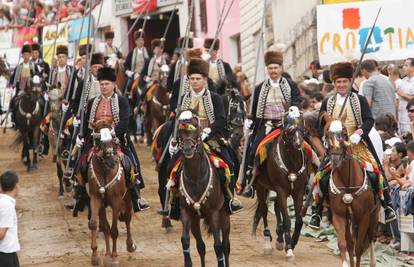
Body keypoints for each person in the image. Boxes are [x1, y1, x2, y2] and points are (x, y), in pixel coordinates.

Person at [309, 62, 397, 229]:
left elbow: (369, 120)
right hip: (336, 146)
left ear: (350, 82)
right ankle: (317, 211)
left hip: (357, 144)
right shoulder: (328, 101)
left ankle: (388, 206)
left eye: (344, 82)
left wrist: (358, 134)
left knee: (376, 170)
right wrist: (327, 139)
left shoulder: (359, 100)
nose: (341, 85)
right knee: (320, 176)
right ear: (333, 84)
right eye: (338, 82)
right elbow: (321, 126)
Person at [167, 58, 243, 215]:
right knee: (169, 167)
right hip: (188, 139)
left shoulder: (214, 97)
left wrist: (209, 130)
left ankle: (229, 200)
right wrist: (175, 141)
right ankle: (173, 204)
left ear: (205, 80)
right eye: (192, 79)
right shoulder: (184, 98)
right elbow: (177, 121)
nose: (195, 82)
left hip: (211, 137)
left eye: (198, 79)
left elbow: (221, 119)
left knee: (229, 162)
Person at [72, 67, 149, 215]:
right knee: (80, 163)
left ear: (114, 85)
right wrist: (79, 136)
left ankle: (136, 197)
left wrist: (114, 132)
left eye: (107, 84)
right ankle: (79, 196)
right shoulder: (92, 102)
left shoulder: (122, 101)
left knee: (131, 163)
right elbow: (86, 123)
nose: (104, 87)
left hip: (117, 139)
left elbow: (125, 121)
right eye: (101, 84)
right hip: (95, 139)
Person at [238, 50, 301, 197]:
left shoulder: (291, 85)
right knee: (254, 148)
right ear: (267, 69)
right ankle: (250, 180)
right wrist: (249, 120)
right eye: (270, 68)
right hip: (266, 125)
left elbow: (297, 100)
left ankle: (310, 178)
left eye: (276, 67)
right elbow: (253, 109)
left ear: (281, 68)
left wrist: (294, 108)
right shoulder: (259, 88)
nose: (273, 71)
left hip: (287, 124)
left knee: (305, 146)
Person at [0, 171, 20, 267]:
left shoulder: (3, 202)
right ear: (16, 186)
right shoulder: (7, 205)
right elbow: (1, 234)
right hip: (5, 254)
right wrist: (9, 220)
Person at [396, 58, 414, 135]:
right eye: (404, 65)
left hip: (410, 118)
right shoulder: (403, 80)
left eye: (406, 65)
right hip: (401, 116)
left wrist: (403, 95)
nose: (404, 67)